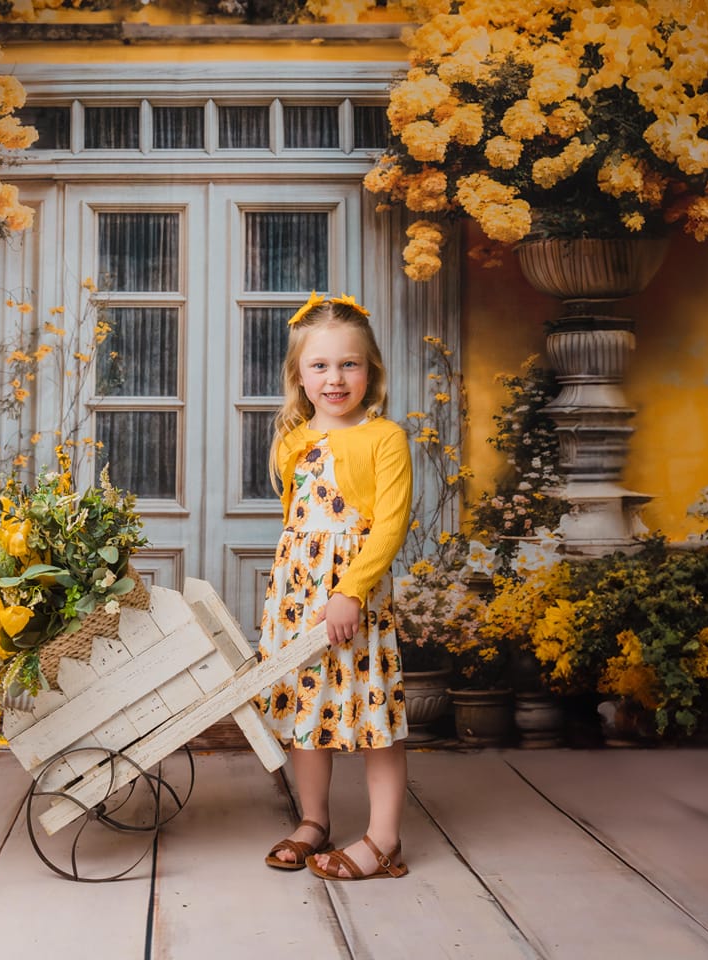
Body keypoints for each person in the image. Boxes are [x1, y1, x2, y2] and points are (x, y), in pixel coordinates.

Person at [256, 291, 413, 882]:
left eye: (349, 363)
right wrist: (294, 597)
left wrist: (349, 591)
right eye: (320, 365)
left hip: (357, 600)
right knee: (306, 712)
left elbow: (389, 525)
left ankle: (384, 837)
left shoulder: (384, 438)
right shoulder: (293, 440)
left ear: (369, 370)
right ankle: (313, 820)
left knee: (375, 720)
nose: (335, 378)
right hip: (299, 599)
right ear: (299, 373)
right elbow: (298, 528)